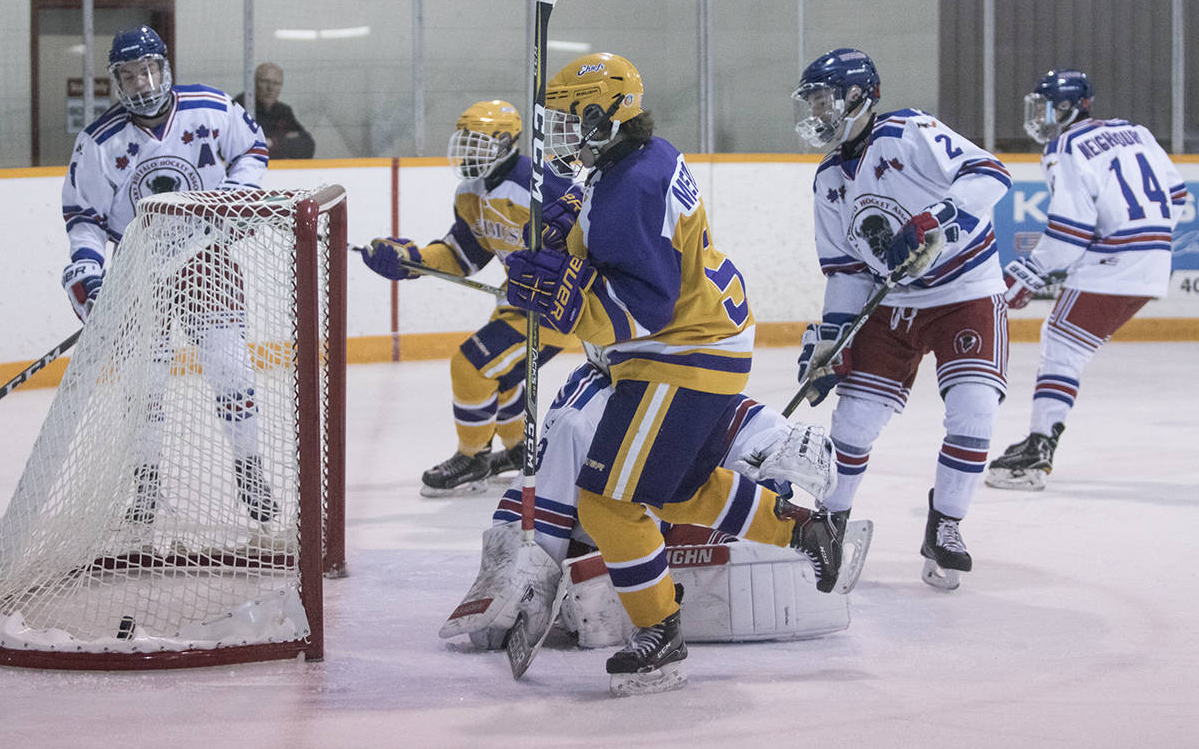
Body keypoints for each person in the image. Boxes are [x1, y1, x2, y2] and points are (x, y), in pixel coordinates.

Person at [502, 52, 847, 696]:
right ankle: (799, 525)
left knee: (607, 503)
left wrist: (571, 301)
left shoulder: (628, 188)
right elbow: (620, 232)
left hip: (683, 352)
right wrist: (573, 219)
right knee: (674, 488)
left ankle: (661, 636)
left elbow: (647, 307)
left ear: (608, 115)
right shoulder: (637, 159)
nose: (562, 135)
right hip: (706, 338)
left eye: (574, 121)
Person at [439, 360, 865, 655]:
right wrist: (520, 574)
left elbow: (714, 403)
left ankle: (795, 533)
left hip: (631, 523)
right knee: (647, 494)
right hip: (608, 530)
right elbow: (544, 493)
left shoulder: (647, 375)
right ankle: (657, 607)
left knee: (668, 486)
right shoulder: (585, 410)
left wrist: (775, 439)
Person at [789, 48, 1012, 591]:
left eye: (826, 98)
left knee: (974, 410)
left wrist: (938, 221)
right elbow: (847, 271)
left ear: (859, 95)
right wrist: (831, 340)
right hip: (890, 304)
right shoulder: (827, 181)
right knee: (853, 422)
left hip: (966, 291)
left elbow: (991, 175)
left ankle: (947, 525)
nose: (816, 111)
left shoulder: (908, 132)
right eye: (811, 100)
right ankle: (831, 523)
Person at [60, 25, 275, 526]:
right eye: (131, 75)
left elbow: (253, 149)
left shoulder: (211, 106)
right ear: (118, 82)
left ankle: (249, 470)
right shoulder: (99, 142)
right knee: (145, 385)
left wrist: (238, 193)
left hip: (207, 256)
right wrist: (88, 271)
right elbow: (84, 219)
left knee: (231, 369)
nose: (143, 82)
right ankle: (146, 482)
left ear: (166, 67)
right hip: (139, 269)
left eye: (151, 69)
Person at [359, 100, 581, 496]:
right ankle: (516, 450)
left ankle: (473, 456)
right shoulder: (470, 193)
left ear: (507, 142)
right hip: (520, 302)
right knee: (505, 370)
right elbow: (463, 256)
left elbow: (588, 235)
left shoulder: (539, 186)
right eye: (466, 142)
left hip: (561, 305)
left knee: (471, 364)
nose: (468, 153)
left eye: (479, 144)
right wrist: (412, 260)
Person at [986, 70, 1187, 491]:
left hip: (1116, 260)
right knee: (1064, 341)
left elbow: (1071, 230)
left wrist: (1031, 272)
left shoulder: (1066, 146)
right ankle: (1040, 442)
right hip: (1154, 258)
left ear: (1069, 108)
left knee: (1060, 344)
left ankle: (1039, 449)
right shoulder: (1137, 132)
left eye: (1045, 107)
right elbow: (1179, 196)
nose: (1039, 117)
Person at [233, 62, 315, 159]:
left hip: (277, 171)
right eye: (264, 81)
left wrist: (273, 143)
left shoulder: (283, 111)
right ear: (253, 83)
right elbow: (240, 147)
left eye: (276, 83)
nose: (270, 88)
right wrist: (285, 140)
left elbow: (307, 146)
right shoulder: (239, 108)